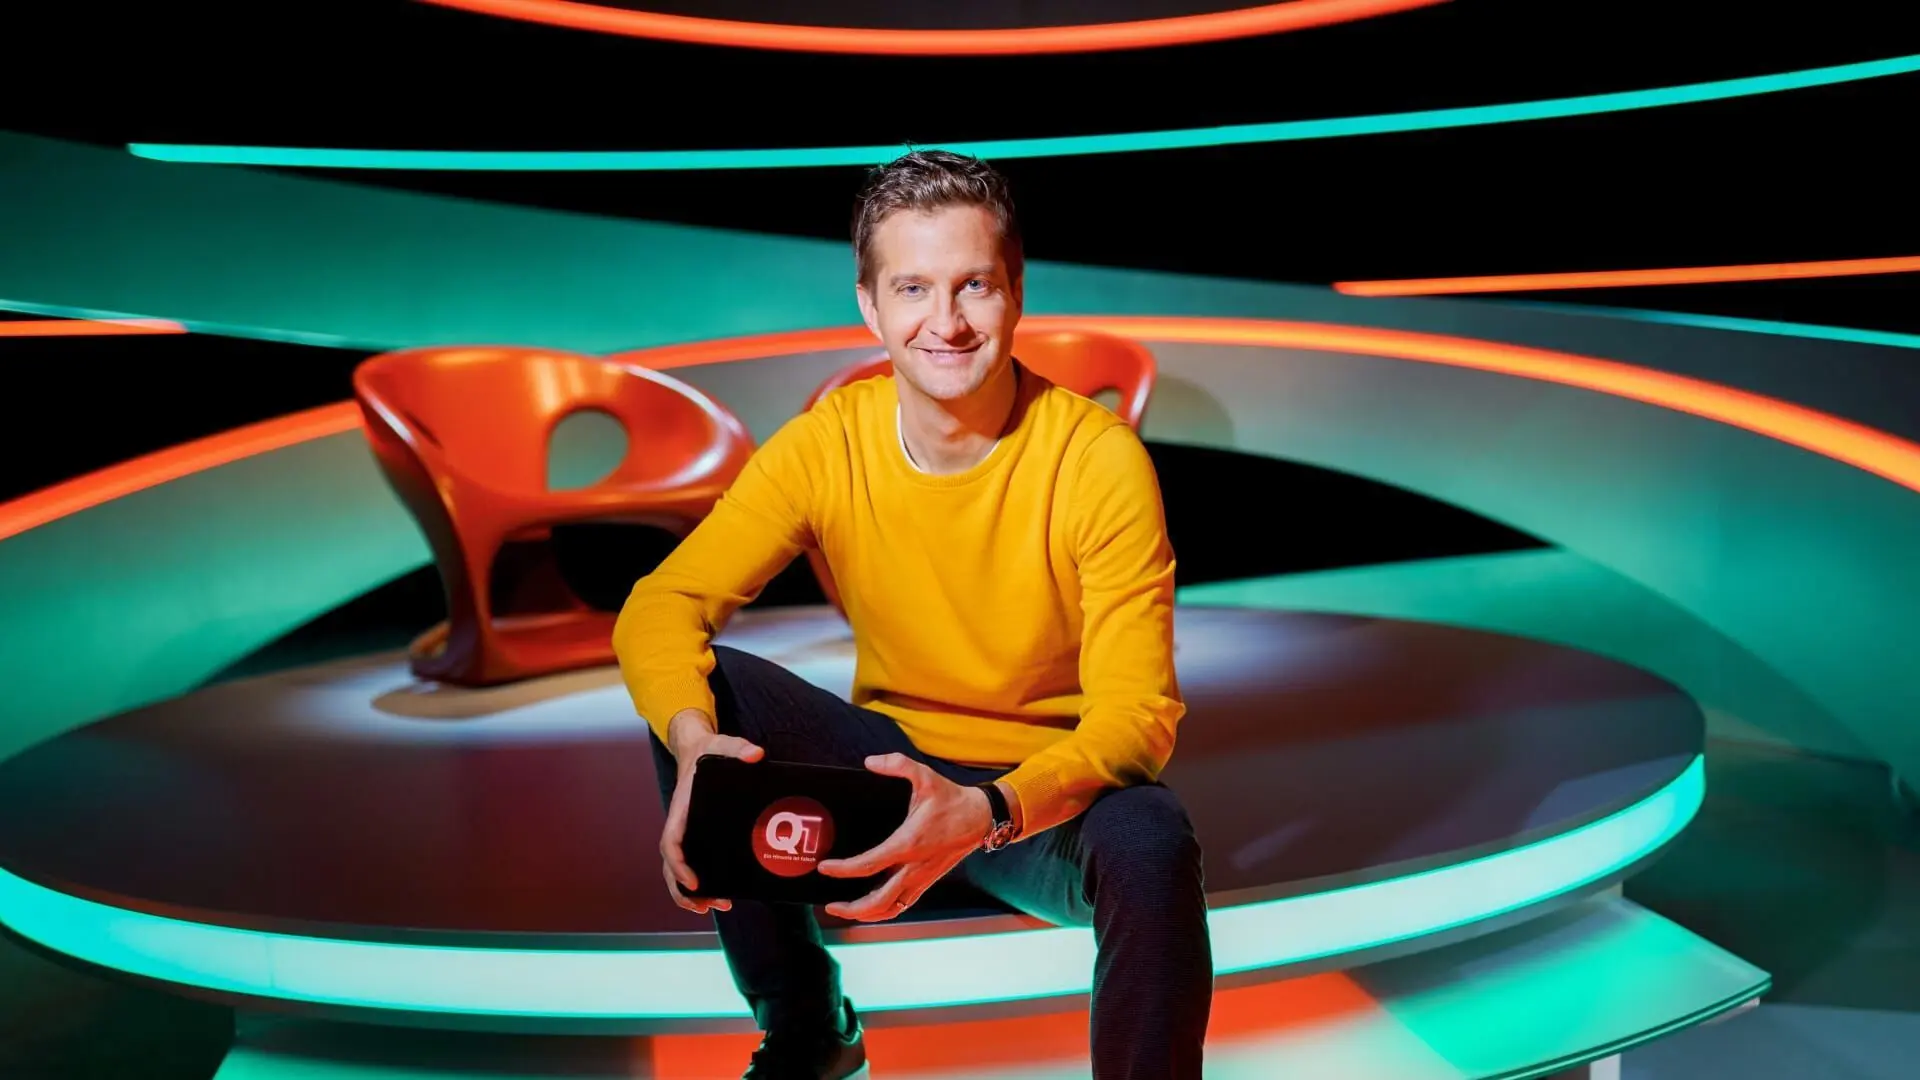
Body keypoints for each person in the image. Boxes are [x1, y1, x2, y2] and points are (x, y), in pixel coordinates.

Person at [613, 149, 1211, 1080]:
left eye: (974, 284)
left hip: (1037, 806)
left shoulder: (1097, 460)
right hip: (887, 776)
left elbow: (1138, 717)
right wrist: (695, 748)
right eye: (913, 288)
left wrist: (986, 809)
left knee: (1151, 837)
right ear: (870, 305)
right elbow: (662, 605)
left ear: (1016, 294)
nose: (946, 321)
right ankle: (808, 1029)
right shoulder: (828, 444)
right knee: (711, 696)